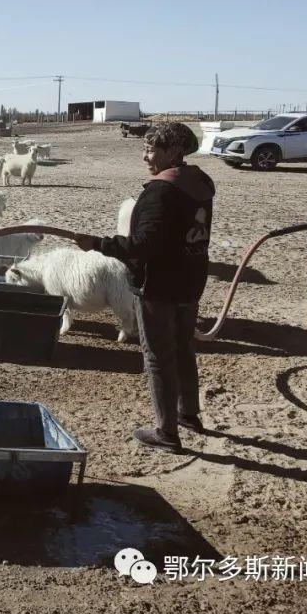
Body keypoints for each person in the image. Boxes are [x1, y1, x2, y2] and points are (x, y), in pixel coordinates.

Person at [73, 122, 214, 453]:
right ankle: (188, 415)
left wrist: (97, 243)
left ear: (172, 152)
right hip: (190, 280)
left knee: (157, 356)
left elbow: (141, 246)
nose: (144, 156)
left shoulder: (161, 191)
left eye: (151, 150)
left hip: (159, 285)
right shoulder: (199, 184)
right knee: (182, 348)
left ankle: (166, 433)